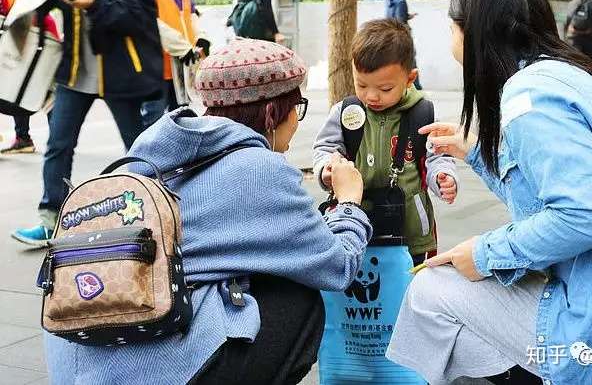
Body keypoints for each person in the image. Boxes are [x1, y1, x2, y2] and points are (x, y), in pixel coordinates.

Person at [385, 0, 592, 385]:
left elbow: (585, 215)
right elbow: (544, 198)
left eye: (453, 29)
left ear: (474, 32)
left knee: (431, 292)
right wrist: (476, 153)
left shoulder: (530, 96)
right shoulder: (565, 75)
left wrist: (483, 253)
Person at [44, 38, 373, 384]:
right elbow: (336, 267)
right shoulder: (261, 170)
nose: (297, 121)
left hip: (76, 358)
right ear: (272, 113)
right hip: (147, 369)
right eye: (297, 108)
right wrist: (349, 202)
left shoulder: (148, 156)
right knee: (299, 298)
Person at [11, 0, 164, 246]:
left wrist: (95, 3)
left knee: (138, 150)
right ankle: (50, 220)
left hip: (119, 73)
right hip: (74, 74)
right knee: (58, 145)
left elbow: (142, 16)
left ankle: (155, 212)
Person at [313, 19, 458, 265]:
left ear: (410, 78)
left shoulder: (423, 114)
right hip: (356, 223)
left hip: (409, 229)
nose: (371, 96)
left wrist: (442, 176)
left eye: (385, 88)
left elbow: (438, 155)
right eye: (361, 85)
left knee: (407, 290)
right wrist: (326, 168)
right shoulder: (346, 112)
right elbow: (326, 147)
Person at [140, 0, 211, 128]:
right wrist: (182, 47)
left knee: (181, 125)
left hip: (180, 69)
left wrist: (201, 38)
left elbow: (189, 15)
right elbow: (149, 21)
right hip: (156, 69)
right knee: (151, 128)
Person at [0, 0, 61, 155]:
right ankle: (24, 139)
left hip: (38, 37)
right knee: (16, 89)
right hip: (27, 35)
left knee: (41, 91)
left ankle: (57, 141)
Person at [385, 0, 422, 90]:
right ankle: (416, 87)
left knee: (395, 60)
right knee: (410, 58)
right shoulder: (401, 0)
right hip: (401, 35)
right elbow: (400, 19)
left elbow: (393, 16)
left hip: (390, 33)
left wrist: (409, 16)